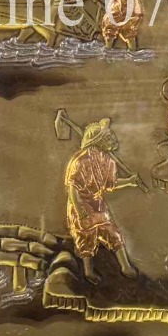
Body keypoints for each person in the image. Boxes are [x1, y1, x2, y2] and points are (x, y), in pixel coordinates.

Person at [63, 118, 140, 278]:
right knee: (86, 237)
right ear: (98, 141)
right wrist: (79, 209)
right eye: (108, 137)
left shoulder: (108, 161)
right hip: (81, 204)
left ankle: (125, 267)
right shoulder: (80, 161)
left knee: (113, 233)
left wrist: (129, 181)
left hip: (97, 203)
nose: (113, 139)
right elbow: (72, 188)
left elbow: (110, 184)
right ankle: (88, 271)